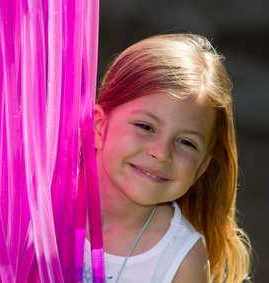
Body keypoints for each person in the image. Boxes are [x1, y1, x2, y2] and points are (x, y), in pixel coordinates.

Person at [83, 33, 252, 282]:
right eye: (145, 126)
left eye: (186, 142)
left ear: (200, 169)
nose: (161, 153)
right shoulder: (40, 207)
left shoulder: (182, 260)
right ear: (99, 127)